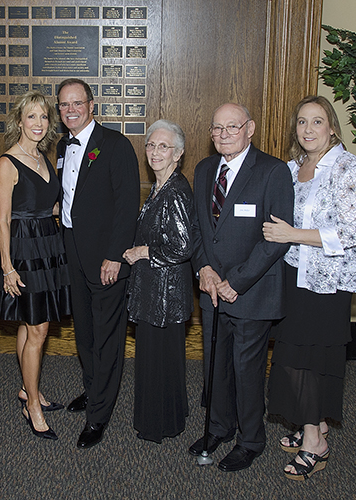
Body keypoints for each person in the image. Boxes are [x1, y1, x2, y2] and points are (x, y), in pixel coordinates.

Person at [263, 95, 356, 480]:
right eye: (302, 122)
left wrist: (293, 234)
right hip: (294, 277)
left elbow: (351, 233)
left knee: (312, 360)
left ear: (332, 128)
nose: (308, 129)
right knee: (292, 355)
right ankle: (315, 423)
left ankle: (314, 442)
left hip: (327, 284)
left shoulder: (347, 167)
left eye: (317, 121)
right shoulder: (292, 168)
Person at [188, 103, 294, 471]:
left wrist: (238, 281)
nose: (223, 135)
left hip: (252, 291)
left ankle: (250, 440)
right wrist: (203, 268)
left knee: (246, 370)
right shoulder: (204, 170)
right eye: (217, 128)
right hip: (211, 289)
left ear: (250, 128)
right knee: (215, 365)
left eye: (232, 127)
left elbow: (277, 239)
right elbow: (198, 228)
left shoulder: (273, 171)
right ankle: (219, 426)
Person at [57, 78, 140, 449]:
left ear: (92, 105)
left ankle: (99, 415)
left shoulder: (115, 145)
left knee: (107, 337)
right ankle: (93, 390)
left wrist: (115, 256)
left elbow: (127, 205)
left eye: (77, 103)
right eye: (64, 104)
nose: (71, 110)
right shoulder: (62, 146)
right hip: (73, 253)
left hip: (107, 257)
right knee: (85, 332)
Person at [0, 90, 71, 440]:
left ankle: (27, 389)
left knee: (30, 322)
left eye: (44, 117)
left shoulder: (43, 158)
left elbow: (48, 206)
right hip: (22, 250)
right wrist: (7, 267)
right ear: (19, 122)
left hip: (47, 246)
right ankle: (32, 404)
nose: (38, 123)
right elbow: (3, 220)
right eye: (31, 116)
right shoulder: (7, 163)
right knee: (39, 329)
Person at [123, 119, 195, 444]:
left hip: (164, 295)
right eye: (151, 145)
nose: (154, 152)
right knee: (162, 360)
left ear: (177, 154)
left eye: (163, 146)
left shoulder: (175, 191)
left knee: (157, 360)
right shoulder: (161, 186)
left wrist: (143, 252)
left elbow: (182, 247)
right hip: (157, 289)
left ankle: (158, 424)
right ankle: (169, 417)